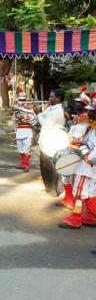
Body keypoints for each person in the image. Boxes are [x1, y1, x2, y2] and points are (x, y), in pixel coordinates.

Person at [59, 92, 96, 229]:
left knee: (79, 193)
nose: (89, 113)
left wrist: (83, 150)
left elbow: (93, 155)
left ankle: (75, 219)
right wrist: (79, 142)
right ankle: (92, 217)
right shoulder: (92, 127)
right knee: (91, 193)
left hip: (86, 166)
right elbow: (86, 142)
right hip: (88, 166)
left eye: (92, 111)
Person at [58, 87, 90, 209]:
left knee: (74, 178)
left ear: (84, 105)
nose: (75, 104)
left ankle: (75, 205)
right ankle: (68, 199)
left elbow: (78, 135)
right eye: (76, 102)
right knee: (66, 175)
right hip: (72, 148)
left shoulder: (86, 119)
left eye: (78, 103)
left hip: (79, 151)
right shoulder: (79, 117)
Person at [34, 89, 66, 195]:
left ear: (58, 98)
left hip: (52, 141)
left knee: (49, 166)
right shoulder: (52, 108)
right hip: (46, 140)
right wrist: (39, 114)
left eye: (52, 96)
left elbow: (44, 124)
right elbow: (43, 116)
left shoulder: (57, 111)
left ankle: (52, 189)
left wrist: (38, 114)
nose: (50, 98)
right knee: (44, 166)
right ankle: (49, 187)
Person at [13, 91, 36, 172]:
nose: (22, 102)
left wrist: (24, 117)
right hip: (19, 130)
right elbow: (15, 120)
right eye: (20, 100)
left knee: (27, 148)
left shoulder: (30, 110)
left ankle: (26, 165)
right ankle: (22, 164)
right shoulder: (17, 111)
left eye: (23, 100)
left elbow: (33, 120)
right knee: (20, 148)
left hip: (27, 130)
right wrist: (22, 117)